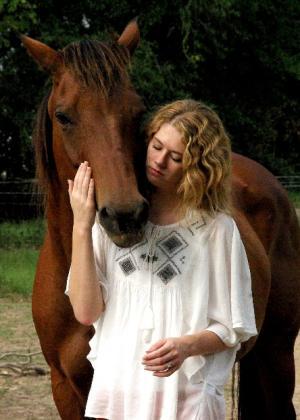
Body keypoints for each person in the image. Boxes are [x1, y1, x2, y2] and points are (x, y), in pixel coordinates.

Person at [66, 99, 257, 420]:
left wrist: (187, 346)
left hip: (185, 399)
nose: (159, 161)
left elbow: (231, 326)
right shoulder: (114, 223)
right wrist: (82, 225)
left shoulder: (216, 229)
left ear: (198, 167)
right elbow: (86, 312)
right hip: (118, 395)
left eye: (176, 157)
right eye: (156, 146)